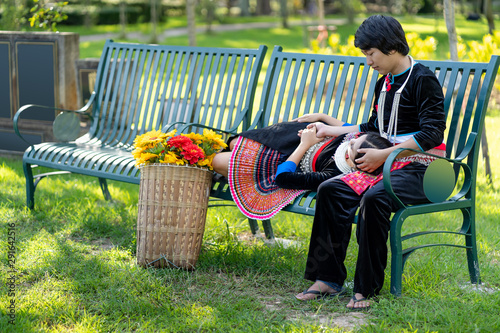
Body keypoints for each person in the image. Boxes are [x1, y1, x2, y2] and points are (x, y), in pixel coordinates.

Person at [294, 15, 446, 310]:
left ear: (390, 47)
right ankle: (327, 278)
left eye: (370, 53)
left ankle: (366, 288)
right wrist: (331, 129)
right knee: (330, 190)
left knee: (376, 198)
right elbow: (373, 126)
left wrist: (383, 155)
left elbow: (432, 132)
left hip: (425, 170)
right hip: (388, 164)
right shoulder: (385, 83)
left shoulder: (422, 79)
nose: (369, 61)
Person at [212, 120, 391, 220]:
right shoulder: (359, 139)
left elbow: (282, 177)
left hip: (287, 160)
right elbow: (347, 128)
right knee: (234, 142)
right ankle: (193, 154)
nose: (350, 140)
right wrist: (323, 118)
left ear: (349, 160)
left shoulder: (332, 175)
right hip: (292, 139)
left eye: (352, 145)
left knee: (218, 161)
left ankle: (195, 159)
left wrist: (305, 144)